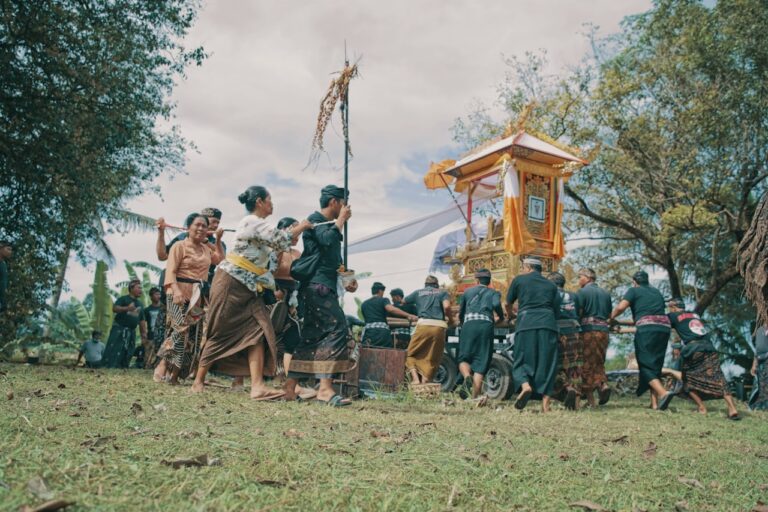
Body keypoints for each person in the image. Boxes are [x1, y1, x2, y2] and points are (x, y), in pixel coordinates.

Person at [192, 188, 311, 399]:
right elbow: (280, 238)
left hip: (250, 287)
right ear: (259, 202)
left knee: (259, 330)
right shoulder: (251, 222)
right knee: (220, 329)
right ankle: (198, 380)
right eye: (270, 200)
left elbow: (273, 261)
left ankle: (257, 386)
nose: (272, 204)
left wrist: (289, 239)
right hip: (231, 282)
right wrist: (301, 226)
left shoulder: (260, 228)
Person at [284, 184, 353, 406]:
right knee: (337, 328)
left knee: (311, 336)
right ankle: (324, 389)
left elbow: (330, 256)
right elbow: (326, 241)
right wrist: (341, 221)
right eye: (343, 203)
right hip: (317, 286)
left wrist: (347, 278)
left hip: (322, 284)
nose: (346, 208)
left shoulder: (329, 224)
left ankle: (289, 388)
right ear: (334, 202)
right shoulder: (316, 219)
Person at [160, 214, 224, 384]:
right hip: (177, 291)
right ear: (188, 227)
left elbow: (220, 260)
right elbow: (171, 271)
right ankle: (164, 362)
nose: (201, 228)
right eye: (197, 225)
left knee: (193, 337)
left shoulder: (206, 249)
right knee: (179, 331)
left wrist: (217, 240)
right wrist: (175, 290)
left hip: (198, 295)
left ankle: (175, 376)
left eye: (204, 226)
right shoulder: (179, 246)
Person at [609, 270, 674, 410]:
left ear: (634, 281)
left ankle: (663, 393)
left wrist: (610, 318)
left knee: (644, 364)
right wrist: (619, 322)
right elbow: (642, 318)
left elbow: (621, 307)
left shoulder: (633, 290)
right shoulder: (656, 292)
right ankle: (654, 403)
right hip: (664, 327)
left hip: (647, 329)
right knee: (655, 364)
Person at [666, 299, 740, 419]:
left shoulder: (673, 315)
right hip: (709, 347)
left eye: (669, 307)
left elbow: (657, 323)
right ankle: (732, 409)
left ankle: (701, 407)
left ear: (673, 307)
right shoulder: (695, 315)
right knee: (718, 377)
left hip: (693, 349)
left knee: (686, 380)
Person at [505, 257, 561, 412]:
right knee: (547, 363)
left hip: (526, 323)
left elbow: (507, 303)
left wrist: (510, 316)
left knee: (521, 358)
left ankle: (525, 385)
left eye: (522, 267)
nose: (522, 270)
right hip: (548, 324)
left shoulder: (519, 280)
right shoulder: (551, 285)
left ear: (528, 267)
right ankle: (545, 405)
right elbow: (556, 309)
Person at [457, 269, 503, 399]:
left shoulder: (467, 292)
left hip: (469, 325)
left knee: (464, 357)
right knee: (481, 361)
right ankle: (474, 397)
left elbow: (461, 312)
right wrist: (500, 316)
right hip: (485, 325)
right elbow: (496, 304)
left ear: (476, 280)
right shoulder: (493, 292)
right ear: (489, 281)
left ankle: (467, 376)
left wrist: (462, 323)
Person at [404, 275, 452, 385]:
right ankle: (425, 381)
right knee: (433, 357)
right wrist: (451, 320)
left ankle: (416, 379)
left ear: (425, 285)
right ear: (436, 285)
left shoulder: (418, 292)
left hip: (423, 325)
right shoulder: (442, 292)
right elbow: (447, 307)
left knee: (410, 353)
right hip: (439, 327)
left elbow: (403, 301)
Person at [576, 267, 613, 406]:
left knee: (586, 363)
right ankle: (602, 384)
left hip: (588, 331)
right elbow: (609, 315)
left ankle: (584, 398)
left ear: (587, 277)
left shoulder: (582, 292)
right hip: (604, 331)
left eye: (580, 277)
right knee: (599, 361)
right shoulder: (605, 293)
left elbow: (579, 312)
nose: (579, 280)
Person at [548, 271, 583, 410]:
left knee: (555, 365)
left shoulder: (551, 295)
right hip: (575, 332)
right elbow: (579, 312)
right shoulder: (574, 295)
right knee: (575, 367)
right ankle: (576, 403)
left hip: (558, 332)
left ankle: (567, 388)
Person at [102, 280, 148, 369]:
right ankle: (109, 365)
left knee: (129, 350)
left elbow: (142, 320)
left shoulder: (140, 304)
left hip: (132, 331)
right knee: (114, 348)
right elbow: (115, 308)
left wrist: (144, 335)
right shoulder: (123, 299)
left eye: (141, 288)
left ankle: (123, 366)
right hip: (119, 329)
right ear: (131, 288)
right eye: (138, 288)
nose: (141, 290)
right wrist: (127, 308)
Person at [360, 282, 417, 348]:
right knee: (385, 352)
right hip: (382, 334)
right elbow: (391, 309)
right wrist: (408, 315)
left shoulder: (364, 304)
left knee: (368, 351)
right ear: (380, 291)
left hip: (368, 333)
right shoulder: (384, 300)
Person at [142, 287, 164, 369]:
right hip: (151, 334)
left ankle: (158, 367)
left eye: (159, 294)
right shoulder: (147, 310)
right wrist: (144, 336)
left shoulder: (163, 309)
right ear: (151, 297)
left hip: (162, 333)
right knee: (149, 352)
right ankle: (147, 365)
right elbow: (143, 323)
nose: (158, 296)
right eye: (156, 294)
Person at [749, 324, 768, 410]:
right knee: (760, 385)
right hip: (760, 361)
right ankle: (761, 406)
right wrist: (754, 364)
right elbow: (757, 350)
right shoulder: (760, 330)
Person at [0, 240, 12, 313]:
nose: (10, 252)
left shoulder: (3, 265)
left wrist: (3, 302)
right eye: (8, 249)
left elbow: (3, 285)